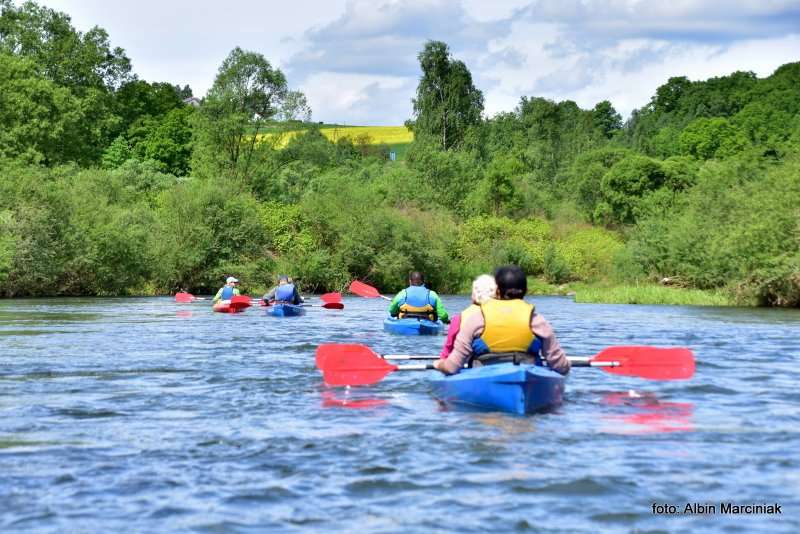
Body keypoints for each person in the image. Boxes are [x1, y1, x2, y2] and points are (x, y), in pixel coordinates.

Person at [433, 265, 570, 375]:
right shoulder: (536, 321)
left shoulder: (477, 319)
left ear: (497, 291)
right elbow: (561, 367)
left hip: (483, 376)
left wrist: (439, 364)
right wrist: (566, 364)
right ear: (526, 290)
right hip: (528, 375)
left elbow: (452, 367)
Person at [440, 274, 497, 358]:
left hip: (470, 364)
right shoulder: (505, 316)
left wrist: (440, 364)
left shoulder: (459, 318)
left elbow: (448, 351)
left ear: (473, 295)